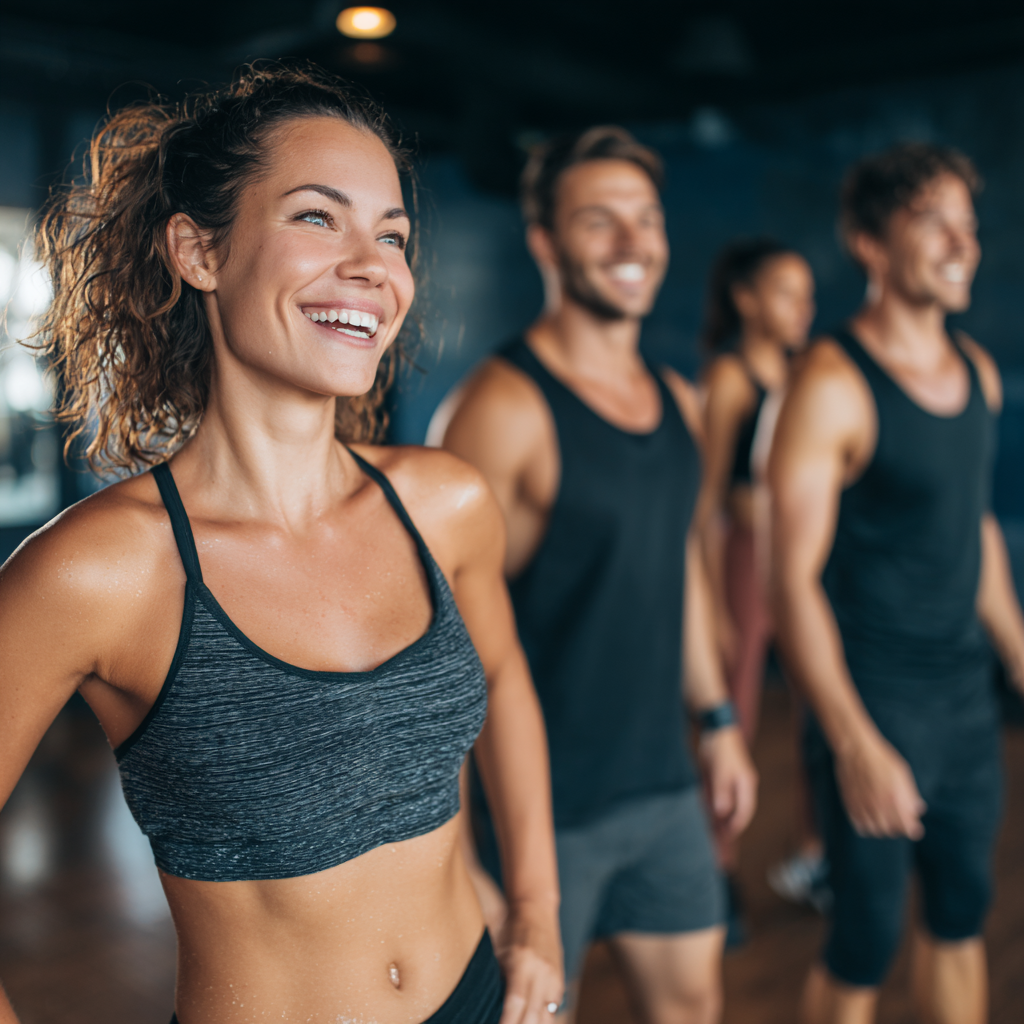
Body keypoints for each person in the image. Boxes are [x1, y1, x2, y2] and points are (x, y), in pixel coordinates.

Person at [0, 62, 563, 1024]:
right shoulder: (102, 570)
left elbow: (505, 677)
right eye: (317, 217)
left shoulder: (445, 504)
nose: (373, 265)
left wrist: (539, 913)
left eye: (393, 235)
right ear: (199, 252)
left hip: (480, 995)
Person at [432, 126, 758, 1024]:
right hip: (541, 814)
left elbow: (678, 568)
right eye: (598, 221)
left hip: (662, 787)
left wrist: (718, 720)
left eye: (645, 219)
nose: (631, 242)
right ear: (544, 241)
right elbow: (438, 646)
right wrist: (455, 857)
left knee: (692, 1007)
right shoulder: (501, 409)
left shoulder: (680, 401)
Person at [769, 142, 1024, 1024]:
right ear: (870, 243)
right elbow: (790, 580)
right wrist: (853, 742)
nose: (962, 243)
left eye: (969, 224)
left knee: (960, 916)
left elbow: (971, 527)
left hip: (964, 706)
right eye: (932, 222)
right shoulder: (831, 385)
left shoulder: (978, 374)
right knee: (865, 941)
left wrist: (1019, 653)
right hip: (875, 702)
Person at [693, 240, 823, 922]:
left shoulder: (809, 374)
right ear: (746, 299)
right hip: (744, 561)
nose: (803, 307)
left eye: (808, 294)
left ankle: (815, 855)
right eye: (786, 292)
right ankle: (717, 873)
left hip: (802, 562)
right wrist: (714, 600)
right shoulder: (731, 378)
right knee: (733, 717)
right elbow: (706, 500)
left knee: (820, 710)